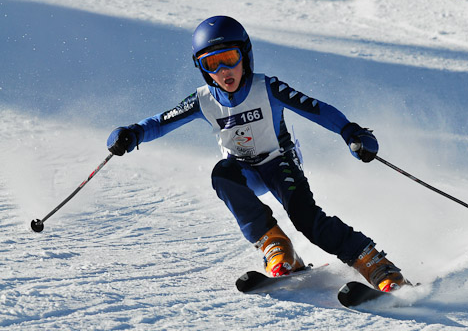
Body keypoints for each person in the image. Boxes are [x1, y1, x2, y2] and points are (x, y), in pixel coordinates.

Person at [107, 16, 410, 292]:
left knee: (307, 220)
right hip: (243, 171)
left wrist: (350, 132)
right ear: (202, 68)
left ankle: (376, 265)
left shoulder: (267, 88)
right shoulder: (202, 100)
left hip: (279, 164)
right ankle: (277, 246)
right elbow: (160, 122)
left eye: (229, 58)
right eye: (212, 63)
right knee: (221, 175)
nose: (223, 71)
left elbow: (316, 109)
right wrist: (132, 134)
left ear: (245, 56)